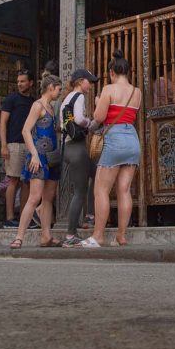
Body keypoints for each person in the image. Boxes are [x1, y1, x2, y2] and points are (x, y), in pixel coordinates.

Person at [80, 50, 143, 249]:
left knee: (101, 190)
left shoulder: (108, 89)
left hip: (115, 138)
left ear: (112, 72)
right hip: (132, 139)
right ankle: (121, 236)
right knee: (124, 190)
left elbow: (99, 117)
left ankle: (98, 236)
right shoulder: (137, 91)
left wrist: (99, 102)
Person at [9, 72, 63, 248]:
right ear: (50, 88)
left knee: (48, 198)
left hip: (51, 157)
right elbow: (26, 130)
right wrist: (33, 154)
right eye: (58, 89)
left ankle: (46, 236)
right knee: (34, 198)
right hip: (38, 157)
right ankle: (19, 237)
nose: (59, 92)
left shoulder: (50, 107)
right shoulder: (37, 105)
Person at [59, 68, 97, 246]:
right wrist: (90, 122)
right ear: (81, 81)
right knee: (79, 192)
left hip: (67, 146)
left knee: (95, 173)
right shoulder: (79, 96)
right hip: (76, 148)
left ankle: (90, 216)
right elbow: (80, 119)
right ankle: (70, 235)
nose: (90, 85)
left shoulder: (66, 98)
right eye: (89, 81)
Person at [0, 68, 35, 228]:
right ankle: (9, 218)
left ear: (31, 83)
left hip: (29, 145)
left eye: (23, 81)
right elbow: (2, 123)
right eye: (18, 81)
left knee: (26, 181)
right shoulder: (11, 99)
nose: (20, 84)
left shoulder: (34, 102)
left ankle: (23, 216)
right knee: (13, 180)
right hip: (13, 144)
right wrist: (3, 145)